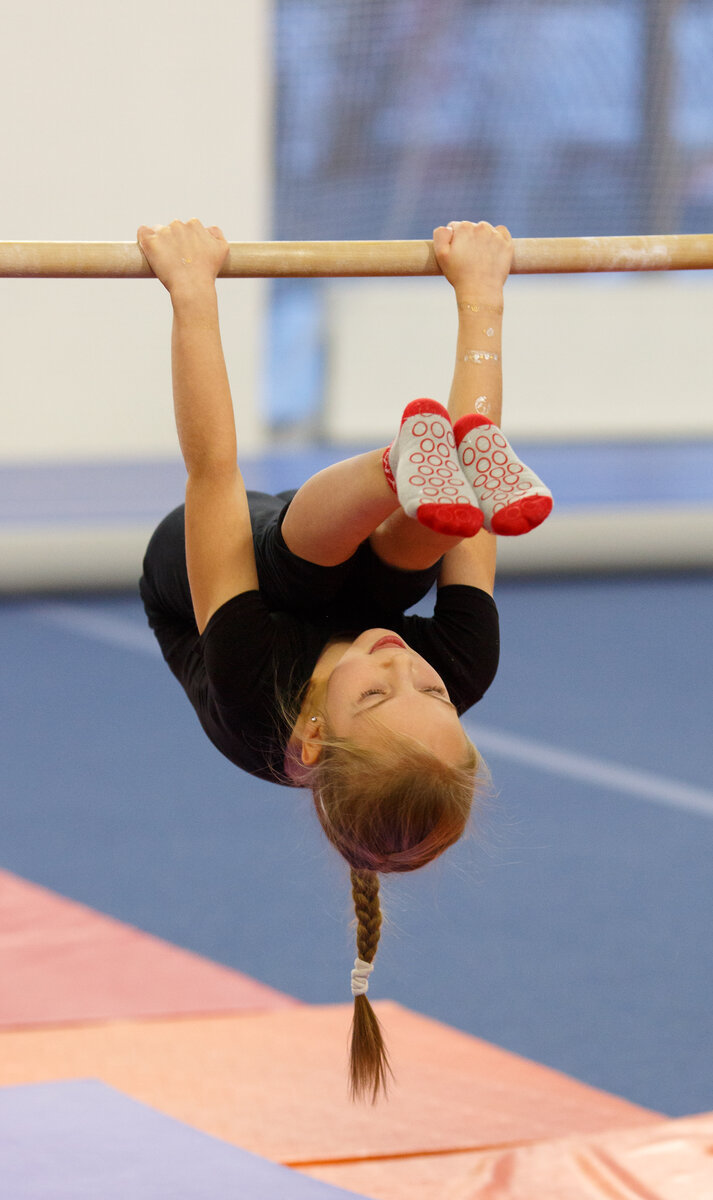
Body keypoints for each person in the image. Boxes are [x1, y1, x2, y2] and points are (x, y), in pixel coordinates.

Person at [137, 218, 552, 1101]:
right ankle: (414, 467)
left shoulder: (256, 692)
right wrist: (481, 293)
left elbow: (212, 470)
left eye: (381, 690)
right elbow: (472, 503)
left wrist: (191, 290)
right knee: (434, 531)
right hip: (350, 578)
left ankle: (392, 465)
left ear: (316, 735)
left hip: (207, 575)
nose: (404, 658)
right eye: (431, 686)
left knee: (304, 556)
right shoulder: (456, 662)